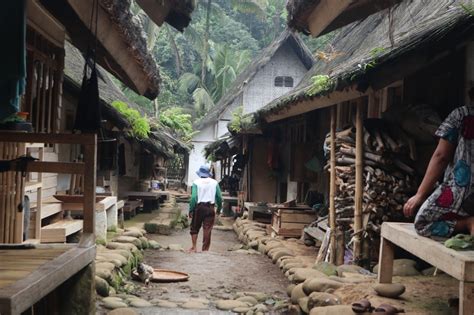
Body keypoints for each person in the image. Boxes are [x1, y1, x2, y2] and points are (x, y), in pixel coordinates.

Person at [404, 90, 474, 237]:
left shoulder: (461, 115)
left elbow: (441, 156)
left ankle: (467, 223)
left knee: (423, 224)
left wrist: (420, 194)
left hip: (463, 189)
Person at [188, 165, 222, 252]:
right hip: (210, 208)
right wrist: (218, 209)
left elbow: (193, 198)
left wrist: (191, 209)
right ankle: (205, 250)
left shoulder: (196, 182)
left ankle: (194, 247)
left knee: (194, 227)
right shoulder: (215, 183)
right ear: (208, 174)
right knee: (207, 229)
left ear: (200, 173)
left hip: (199, 208)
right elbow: (219, 197)